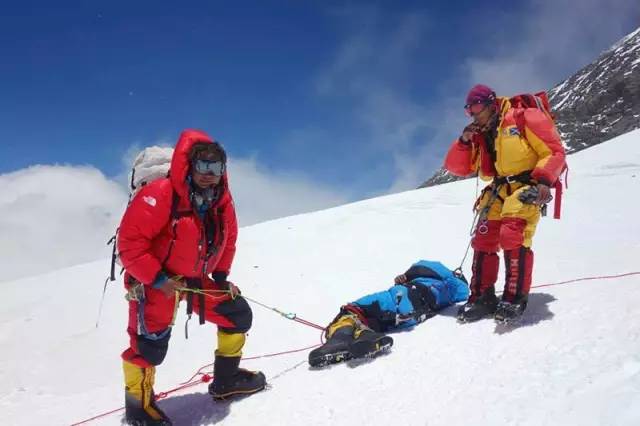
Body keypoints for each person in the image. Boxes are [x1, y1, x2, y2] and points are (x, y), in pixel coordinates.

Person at [117, 129, 265, 425]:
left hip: (194, 280)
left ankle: (226, 380)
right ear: (189, 166)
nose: (209, 174)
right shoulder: (161, 193)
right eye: (203, 166)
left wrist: (220, 276)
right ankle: (138, 408)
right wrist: (159, 280)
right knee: (148, 347)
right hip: (155, 280)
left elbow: (229, 238)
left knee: (236, 314)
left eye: (216, 167)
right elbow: (130, 244)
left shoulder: (221, 199)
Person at [444, 84, 566, 323]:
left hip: (528, 183)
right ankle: (482, 297)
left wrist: (544, 180)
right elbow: (457, 167)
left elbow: (554, 151)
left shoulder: (524, 117)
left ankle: (514, 297)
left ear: (491, 103)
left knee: (512, 233)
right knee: (484, 238)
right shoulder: (481, 133)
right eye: (469, 110)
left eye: (476, 108)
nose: (473, 114)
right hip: (499, 188)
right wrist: (465, 140)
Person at [309, 260, 469, 367]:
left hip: (400, 298)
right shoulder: (447, 290)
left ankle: (340, 339)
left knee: (353, 309)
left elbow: (425, 266)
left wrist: (409, 277)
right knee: (370, 320)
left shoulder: (450, 283)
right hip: (409, 313)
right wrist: (405, 278)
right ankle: (366, 336)